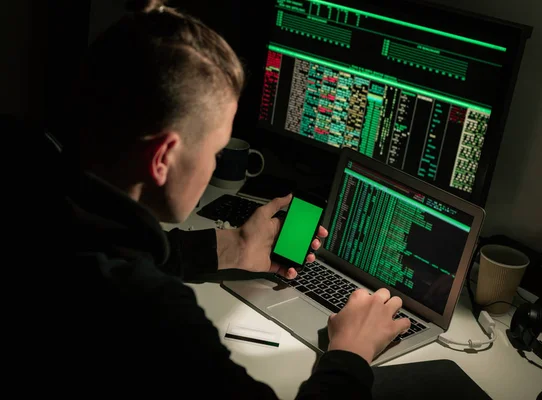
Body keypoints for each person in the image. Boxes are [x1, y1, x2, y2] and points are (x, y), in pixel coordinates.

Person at [37, 0, 412, 397]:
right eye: (214, 153)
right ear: (163, 158)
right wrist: (351, 353)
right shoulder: (152, 315)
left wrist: (231, 248)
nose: (215, 167)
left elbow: (108, 245)